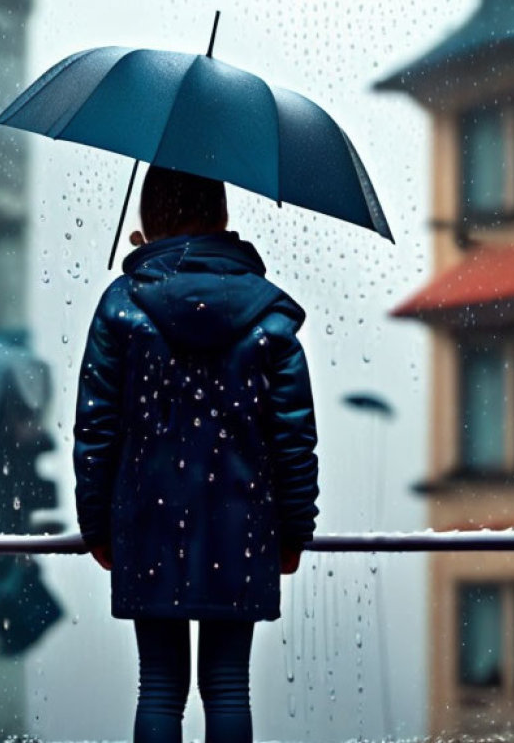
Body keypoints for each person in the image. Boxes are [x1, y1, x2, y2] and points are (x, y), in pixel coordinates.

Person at [73, 164, 319, 743]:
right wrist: (294, 531)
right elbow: (293, 436)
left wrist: (95, 525)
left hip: (147, 517)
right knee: (229, 685)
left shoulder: (123, 307)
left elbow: (96, 426)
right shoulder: (268, 316)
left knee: (158, 685)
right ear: (223, 216)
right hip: (243, 523)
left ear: (146, 220)